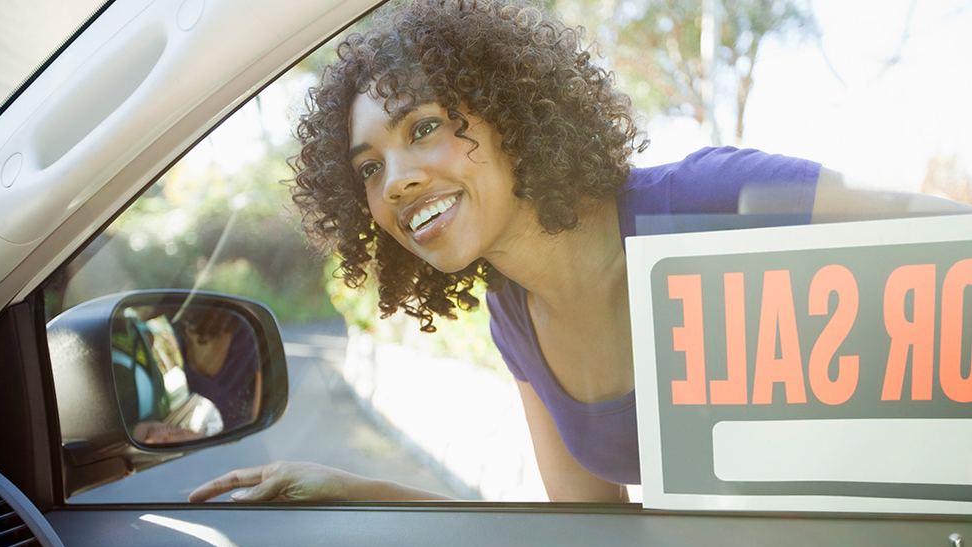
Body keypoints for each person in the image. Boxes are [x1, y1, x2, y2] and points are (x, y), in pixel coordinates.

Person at [188, 0, 967, 504]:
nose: (395, 180)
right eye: (367, 167)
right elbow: (582, 533)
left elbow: (952, 242)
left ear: (507, 115)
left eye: (422, 126)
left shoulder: (711, 199)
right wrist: (351, 489)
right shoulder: (513, 313)